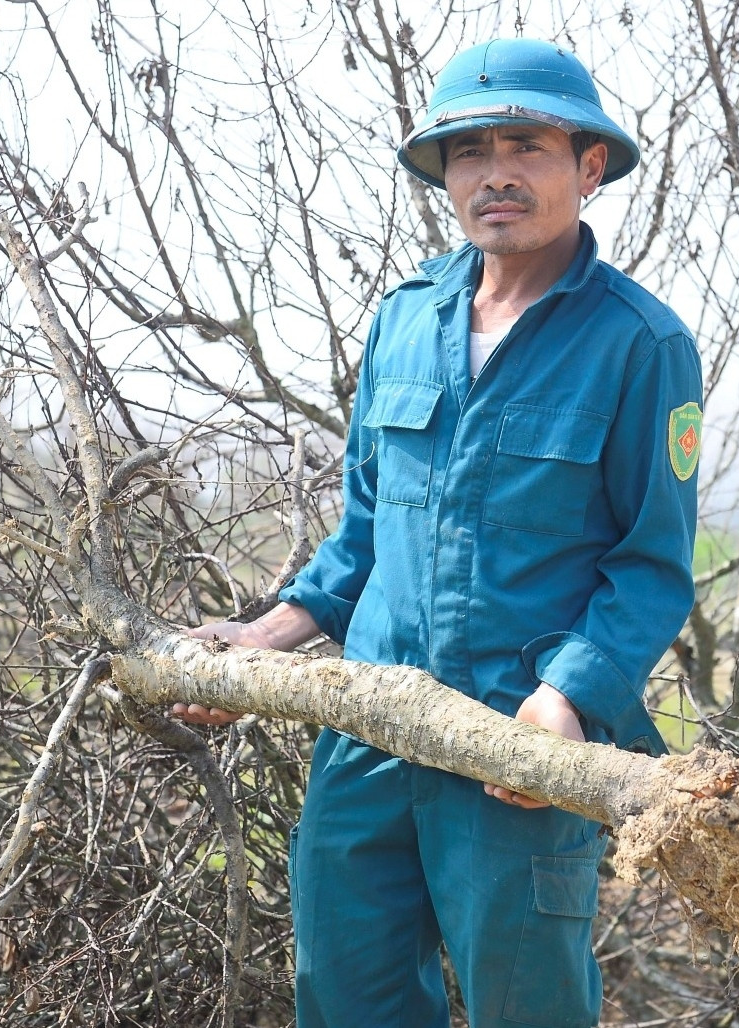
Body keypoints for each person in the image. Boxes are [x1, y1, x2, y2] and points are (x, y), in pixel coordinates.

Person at [173, 37, 702, 1028]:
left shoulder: (640, 343)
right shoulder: (406, 319)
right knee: (345, 998)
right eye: (468, 151)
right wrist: (261, 638)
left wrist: (565, 702)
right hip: (367, 731)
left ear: (589, 165)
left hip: (516, 746)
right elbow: (365, 531)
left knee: (526, 1008)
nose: (495, 172)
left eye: (526, 144)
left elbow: (649, 569)